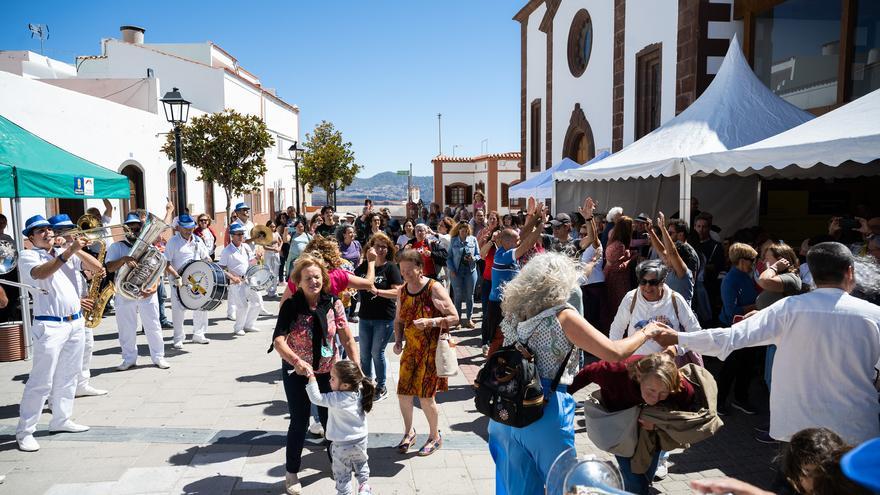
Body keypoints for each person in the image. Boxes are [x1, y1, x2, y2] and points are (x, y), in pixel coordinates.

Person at [652, 241, 880, 445]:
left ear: (811, 273)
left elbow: (729, 338)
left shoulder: (789, 309)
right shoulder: (874, 315)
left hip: (800, 430)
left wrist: (678, 337)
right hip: (857, 428)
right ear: (850, 272)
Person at [488, 252, 658, 495]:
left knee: (516, 488)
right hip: (544, 408)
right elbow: (614, 352)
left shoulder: (515, 315)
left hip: (505, 412)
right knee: (566, 486)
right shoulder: (563, 315)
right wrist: (646, 332)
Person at [270, 255, 360, 495]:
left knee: (331, 422)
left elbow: (347, 338)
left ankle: (337, 466)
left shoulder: (333, 303)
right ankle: (291, 472)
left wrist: (357, 367)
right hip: (297, 372)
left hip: (328, 373)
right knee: (299, 422)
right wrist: (297, 361)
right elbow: (278, 341)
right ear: (298, 281)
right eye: (308, 278)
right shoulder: (291, 306)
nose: (313, 281)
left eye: (317, 277)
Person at [568, 353, 711, 494]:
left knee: (647, 473)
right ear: (639, 376)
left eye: (663, 393)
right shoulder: (615, 371)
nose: (655, 398)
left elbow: (685, 415)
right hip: (619, 427)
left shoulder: (679, 386)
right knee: (636, 482)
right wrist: (559, 398)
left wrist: (658, 426)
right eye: (651, 390)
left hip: (651, 433)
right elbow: (587, 373)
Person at [16, 216, 92, 452]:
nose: (47, 233)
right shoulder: (27, 255)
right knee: (41, 381)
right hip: (49, 326)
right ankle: (25, 431)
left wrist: (72, 248)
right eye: (40, 231)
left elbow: (96, 268)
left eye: (48, 228)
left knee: (69, 375)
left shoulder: (61, 251)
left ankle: (61, 419)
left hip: (75, 323)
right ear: (31, 237)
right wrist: (66, 254)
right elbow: (40, 274)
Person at [392, 248, 458, 457]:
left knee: (426, 397)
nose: (406, 275)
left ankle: (434, 436)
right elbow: (399, 319)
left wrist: (432, 321)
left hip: (431, 351)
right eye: (402, 271)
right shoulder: (403, 290)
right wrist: (398, 340)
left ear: (420, 268)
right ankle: (409, 432)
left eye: (409, 270)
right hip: (411, 351)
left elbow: (454, 317)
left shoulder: (433, 287)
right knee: (403, 394)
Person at [47, 214, 110, 395]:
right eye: (66, 232)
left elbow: (97, 268)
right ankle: (55, 394)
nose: (71, 235)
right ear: (55, 233)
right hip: (62, 311)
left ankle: (82, 384)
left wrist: (74, 248)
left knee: (86, 346)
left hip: (82, 308)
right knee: (61, 356)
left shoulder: (72, 252)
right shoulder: (48, 256)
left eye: (71, 231)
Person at [105, 213, 170, 370]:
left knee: (153, 325)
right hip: (124, 293)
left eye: (136, 227)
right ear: (125, 229)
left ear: (142, 229)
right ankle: (129, 359)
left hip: (146, 293)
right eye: (130, 227)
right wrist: (123, 260)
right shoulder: (117, 247)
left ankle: (158, 357)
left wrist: (154, 286)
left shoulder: (150, 247)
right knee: (126, 328)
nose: (133, 230)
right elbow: (108, 268)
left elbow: (157, 269)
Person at [485, 198, 547, 356]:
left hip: (505, 303)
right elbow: (526, 243)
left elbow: (523, 233)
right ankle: (489, 373)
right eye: (516, 241)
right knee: (499, 339)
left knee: (507, 339)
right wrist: (541, 225)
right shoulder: (503, 256)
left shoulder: (504, 248)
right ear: (508, 243)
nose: (519, 241)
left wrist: (536, 216)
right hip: (499, 305)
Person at [305, 360, 376, 495]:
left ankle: (344, 493)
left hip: (341, 444)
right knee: (361, 464)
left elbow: (316, 398)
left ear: (345, 385)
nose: (329, 381)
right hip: (361, 439)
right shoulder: (360, 392)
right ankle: (364, 486)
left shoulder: (336, 398)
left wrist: (311, 378)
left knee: (342, 474)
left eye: (332, 378)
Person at [355, 233, 402, 401]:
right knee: (364, 354)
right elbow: (354, 282)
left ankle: (381, 387)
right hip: (365, 316)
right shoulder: (364, 267)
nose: (380, 249)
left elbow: (398, 292)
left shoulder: (391, 268)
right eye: (377, 246)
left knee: (377, 352)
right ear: (370, 248)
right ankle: (367, 386)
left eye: (384, 246)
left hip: (384, 318)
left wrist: (378, 291)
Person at [716, 242, 760, 416]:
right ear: (742, 260)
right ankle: (719, 402)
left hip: (748, 329)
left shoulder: (745, 276)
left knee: (747, 367)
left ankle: (741, 399)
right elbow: (731, 311)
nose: (754, 263)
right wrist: (756, 306)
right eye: (752, 260)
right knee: (730, 368)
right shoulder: (730, 280)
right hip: (732, 329)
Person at [164, 214, 212, 347]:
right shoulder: (173, 242)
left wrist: (207, 264)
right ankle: (178, 338)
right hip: (178, 281)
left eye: (190, 227)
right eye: (185, 228)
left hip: (196, 280)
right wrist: (176, 275)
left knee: (201, 306)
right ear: (179, 227)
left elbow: (206, 258)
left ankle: (199, 334)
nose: (188, 230)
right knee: (178, 310)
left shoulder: (197, 240)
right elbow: (166, 263)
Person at [220, 222, 261, 336]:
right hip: (236, 282)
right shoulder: (226, 251)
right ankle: (238, 327)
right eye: (238, 234)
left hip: (249, 278)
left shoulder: (246, 247)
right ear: (232, 236)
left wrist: (257, 258)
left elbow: (251, 262)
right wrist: (232, 277)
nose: (240, 236)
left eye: (242, 234)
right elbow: (220, 269)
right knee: (242, 306)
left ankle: (249, 325)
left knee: (258, 302)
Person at [447, 221, 480, 328]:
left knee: (470, 296)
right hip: (456, 272)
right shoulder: (453, 240)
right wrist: (451, 269)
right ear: (458, 229)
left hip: (470, 271)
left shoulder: (473, 239)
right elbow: (449, 257)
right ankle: (458, 320)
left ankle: (469, 319)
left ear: (468, 230)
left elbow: (478, 255)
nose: (464, 231)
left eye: (466, 229)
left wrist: (473, 258)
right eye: (462, 229)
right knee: (458, 296)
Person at [604, 214, 635, 319]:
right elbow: (617, 267)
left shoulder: (612, 241)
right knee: (619, 307)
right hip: (617, 281)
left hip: (610, 277)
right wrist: (631, 259)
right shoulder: (620, 245)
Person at [337, 225, 363, 322]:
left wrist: (360, 262)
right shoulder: (340, 246)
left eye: (353, 232)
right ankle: (344, 315)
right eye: (350, 232)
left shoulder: (356, 244)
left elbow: (361, 253)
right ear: (344, 235)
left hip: (356, 272)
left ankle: (352, 314)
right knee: (345, 295)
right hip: (344, 274)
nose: (352, 234)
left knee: (355, 294)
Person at [264, 220, 286, 298]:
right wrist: (273, 249)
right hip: (268, 255)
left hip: (276, 255)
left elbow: (281, 241)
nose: (272, 228)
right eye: (271, 226)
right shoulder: (265, 235)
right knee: (269, 272)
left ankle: (274, 290)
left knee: (275, 272)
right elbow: (265, 247)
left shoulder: (276, 233)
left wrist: (279, 248)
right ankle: (269, 290)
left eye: (274, 226)